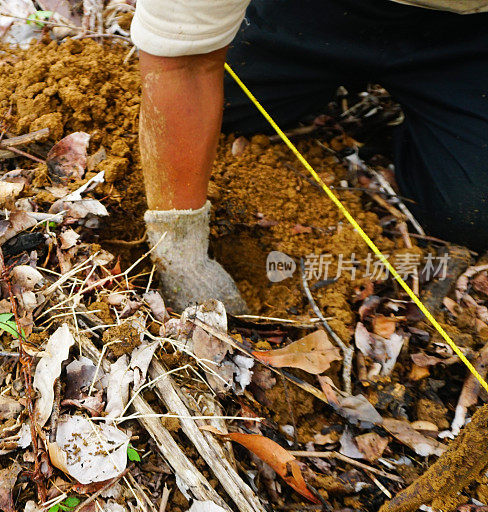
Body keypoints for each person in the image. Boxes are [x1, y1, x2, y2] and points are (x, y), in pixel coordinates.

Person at [130, 0, 488, 314]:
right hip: (316, 9)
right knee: (228, 103)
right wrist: (179, 252)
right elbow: (185, 63)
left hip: (469, 30)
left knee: (471, 212)